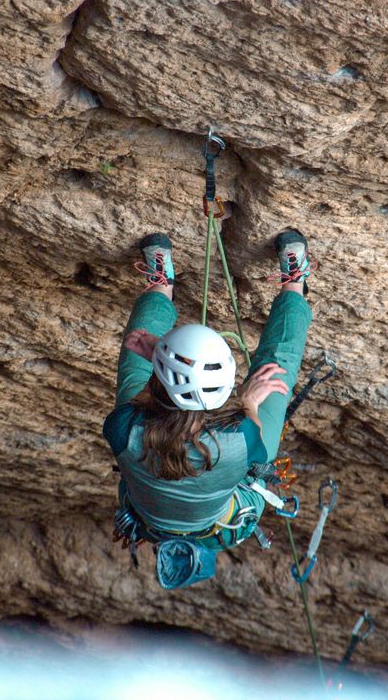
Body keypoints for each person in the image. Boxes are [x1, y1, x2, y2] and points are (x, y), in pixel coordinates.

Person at [103, 229, 313, 588]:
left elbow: (149, 397)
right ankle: (295, 284)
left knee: (134, 359)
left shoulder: (125, 427)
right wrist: (249, 402)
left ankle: (160, 283)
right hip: (220, 517)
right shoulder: (244, 438)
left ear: (158, 385)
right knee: (275, 372)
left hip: (163, 516)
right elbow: (255, 446)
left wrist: (159, 356)